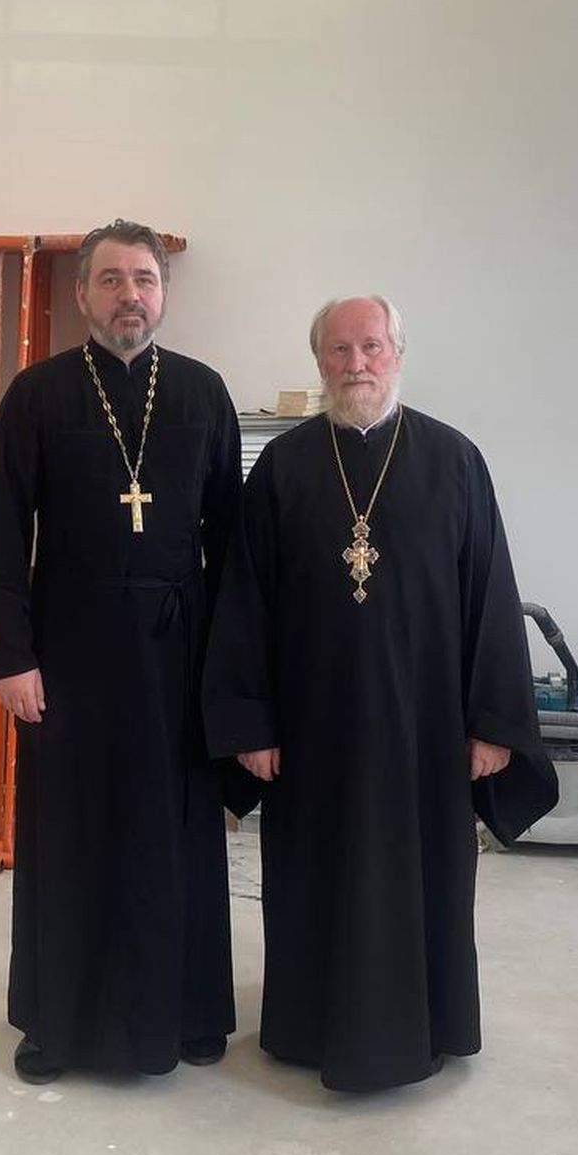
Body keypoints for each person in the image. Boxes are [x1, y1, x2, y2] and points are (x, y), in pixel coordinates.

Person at [202, 294, 557, 1092]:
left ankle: (425, 1024)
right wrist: (250, 724)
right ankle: (307, 1028)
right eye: (339, 350)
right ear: (319, 362)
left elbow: (490, 597)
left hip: (424, 731)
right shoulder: (283, 467)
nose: (355, 364)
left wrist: (492, 724)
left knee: (420, 880)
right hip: (311, 729)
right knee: (313, 877)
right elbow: (245, 600)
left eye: (370, 347)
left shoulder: (455, 460)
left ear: (398, 353)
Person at [0, 219, 242, 1085]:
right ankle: (56, 1022)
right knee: (70, 833)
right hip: (70, 651)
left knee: (179, 832)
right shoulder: (38, 394)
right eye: (112, 279)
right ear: (82, 294)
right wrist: (13, 658)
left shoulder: (202, 393)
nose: (131, 295)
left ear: (163, 293)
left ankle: (190, 1009)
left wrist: (229, 670)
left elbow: (231, 543)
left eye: (144, 280)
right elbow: (2, 533)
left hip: (178, 649)